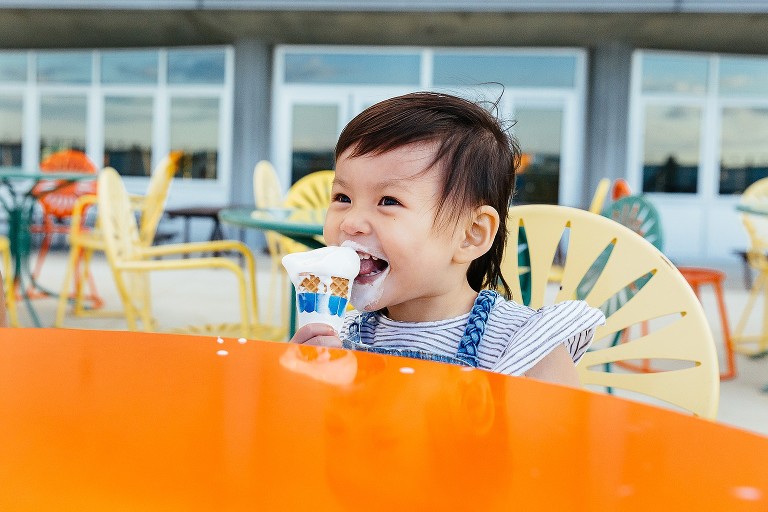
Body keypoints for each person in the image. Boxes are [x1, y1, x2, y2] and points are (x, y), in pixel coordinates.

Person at [290, 91, 604, 387]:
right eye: (342, 197)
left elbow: (564, 439)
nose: (351, 222)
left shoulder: (522, 345)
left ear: (471, 234)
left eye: (388, 201)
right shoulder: (344, 335)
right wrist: (308, 378)